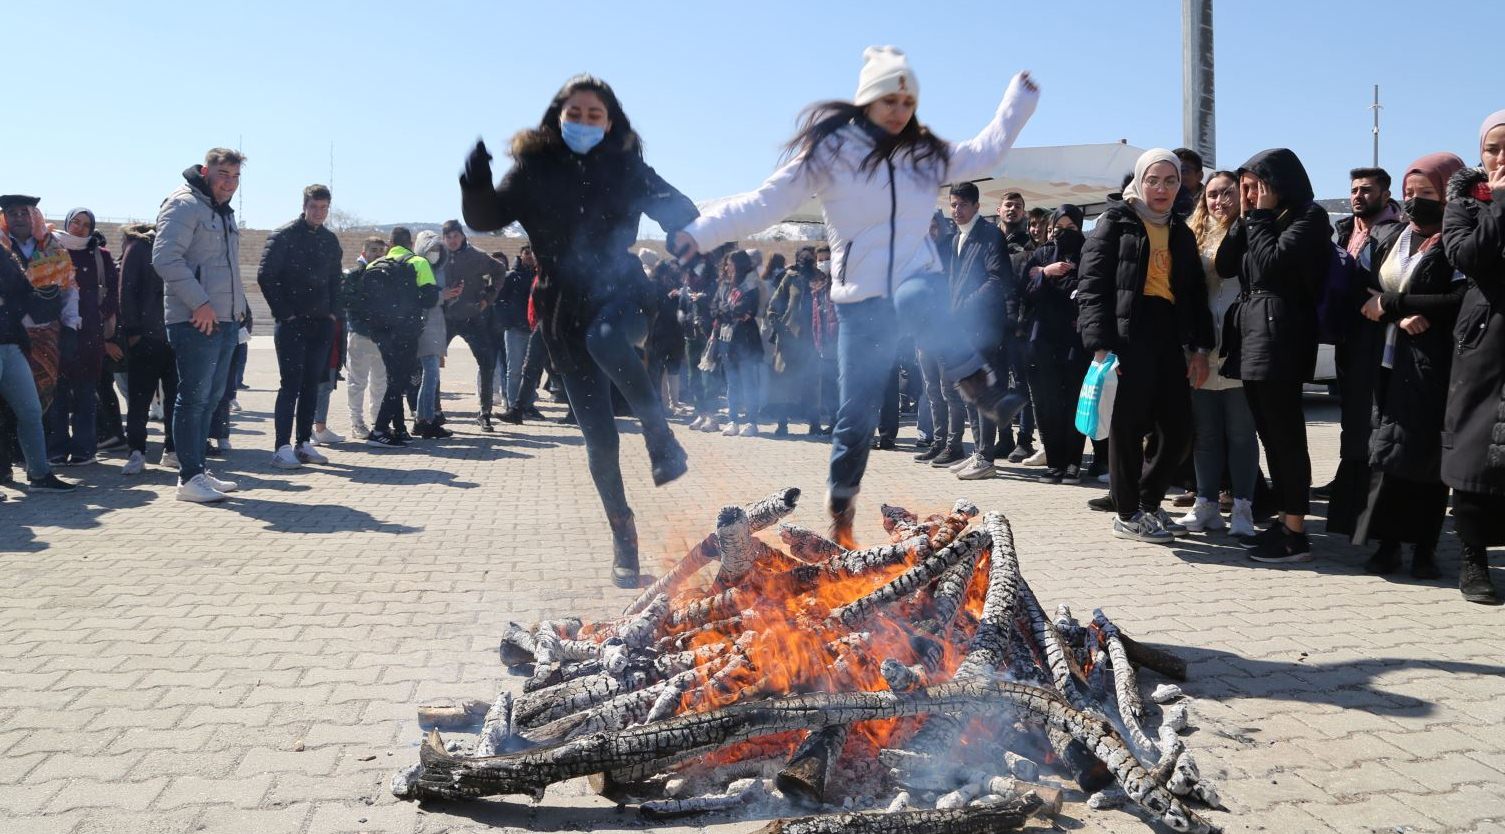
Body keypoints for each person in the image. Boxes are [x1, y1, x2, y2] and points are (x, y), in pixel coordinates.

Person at [673, 47, 1038, 544]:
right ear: (867, 100)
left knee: (916, 297)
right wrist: (701, 232)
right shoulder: (829, 155)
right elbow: (764, 202)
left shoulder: (922, 154)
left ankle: (980, 387)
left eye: (908, 102)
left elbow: (987, 152)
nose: (899, 111)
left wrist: (1017, 101)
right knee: (856, 414)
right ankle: (841, 514)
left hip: (915, 282)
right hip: (860, 304)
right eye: (889, 100)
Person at [460, 74, 694, 587]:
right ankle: (623, 535)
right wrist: (475, 182)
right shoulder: (534, 168)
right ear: (558, 118)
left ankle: (660, 436)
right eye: (576, 114)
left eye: (595, 115)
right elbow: (486, 217)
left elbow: (681, 210)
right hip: (562, 308)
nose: (585, 122)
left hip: (622, 292)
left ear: (609, 123)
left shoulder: (627, 167)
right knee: (599, 439)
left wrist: (683, 232)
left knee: (606, 339)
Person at [1078, 148, 1214, 543]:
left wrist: (1200, 348)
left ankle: (1148, 503)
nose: (1161, 189)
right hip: (1127, 335)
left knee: (1179, 428)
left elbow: (1194, 294)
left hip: (1168, 334)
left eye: (1170, 181)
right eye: (1153, 180)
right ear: (1140, 182)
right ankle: (1126, 514)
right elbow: (1092, 286)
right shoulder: (1116, 222)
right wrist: (1100, 346)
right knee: (1127, 426)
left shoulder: (1180, 231)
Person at [1348, 153, 1467, 578]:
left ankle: (1424, 549)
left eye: (1427, 192)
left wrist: (1396, 304)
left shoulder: (1459, 242)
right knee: (1387, 455)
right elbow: (1365, 289)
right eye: (1410, 193)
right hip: (1387, 362)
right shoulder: (1394, 236)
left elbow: (1458, 300)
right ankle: (1386, 545)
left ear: (1449, 194)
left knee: (1426, 460)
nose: (1416, 201)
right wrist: (1395, 314)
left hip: (1433, 366)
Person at [1216, 148, 1333, 563]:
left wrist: (1261, 217)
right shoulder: (1257, 220)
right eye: (1244, 188)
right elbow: (1226, 264)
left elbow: (1270, 265)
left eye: (1255, 187)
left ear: (1278, 185)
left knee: (1286, 437)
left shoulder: (1310, 217)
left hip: (1282, 335)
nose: (1248, 196)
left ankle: (1295, 531)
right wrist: (1245, 218)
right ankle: (1284, 520)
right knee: (1269, 433)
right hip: (1254, 333)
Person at [152, 148, 249, 503]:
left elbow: (226, 268)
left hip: (224, 319)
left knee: (210, 399)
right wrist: (201, 303)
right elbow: (165, 258)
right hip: (195, 319)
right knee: (193, 398)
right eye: (224, 175)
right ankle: (188, 477)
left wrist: (239, 309)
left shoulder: (221, 211)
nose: (230, 183)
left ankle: (197, 469)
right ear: (206, 172)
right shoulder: (184, 204)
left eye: (235, 177)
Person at [1439, 110, 1505, 605]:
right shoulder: (1464, 202)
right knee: (1475, 449)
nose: (1501, 158)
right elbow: (1468, 257)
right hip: (1485, 337)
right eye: (1493, 149)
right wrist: (1501, 203)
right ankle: (1473, 559)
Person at [1175, 172, 1259, 537]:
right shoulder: (1193, 234)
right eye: (1211, 194)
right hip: (1202, 346)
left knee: (1241, 433)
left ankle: (1242, 507)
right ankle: (1206, 504)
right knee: (1205, 432)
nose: (1218, 200)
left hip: (1241, 346)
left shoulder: (1251, 231)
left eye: (1227, 192)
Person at [1323, 166, 1404, 524]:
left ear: (1385, 195)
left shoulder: (1395, 233)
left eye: (1367, 190)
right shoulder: (1346, 230)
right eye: (1354, 189)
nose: (1358, 196)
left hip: (1378, 335)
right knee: (1351, 411)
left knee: (1372, 414)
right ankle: (1348, 479)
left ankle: (1367, 493)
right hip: (1348, 333)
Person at [257, 184, 341, 470]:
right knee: (290, 385)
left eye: (324, 208)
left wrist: (333, 314)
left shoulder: (330, 240)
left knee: (311, 385)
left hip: (321, 323)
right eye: (314, 207)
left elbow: (335, 280)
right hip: (292, 324)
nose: (319, 213)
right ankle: (281, 447)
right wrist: (286, 314)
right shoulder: (283, 235)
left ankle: (303, 443)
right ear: (304, 206)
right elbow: (266, 276)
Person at [936, 180, 1015, 481]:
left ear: (977, 206)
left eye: (962, 205)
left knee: (984, 391)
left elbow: (996, 280)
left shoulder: (990, 235)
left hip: (983, 327)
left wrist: (963, 308)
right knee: (970, 390)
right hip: (961, 329)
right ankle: (979, 451)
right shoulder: (957, 237)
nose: (956, 210)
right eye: (953, 204)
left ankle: (986, 457)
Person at [0, 239, 77, 494]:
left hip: (11, 343)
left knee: (31, 411)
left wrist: (48, 290)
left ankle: (39, 474)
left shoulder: (4, 254)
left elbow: (23, 293)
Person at [1020, 204, 1089, 484]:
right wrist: (1046, 273)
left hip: (1076, 338)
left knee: (1074, 401)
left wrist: (1067, 283)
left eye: (1071, 228)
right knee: (1047, 403)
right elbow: (1026, 291)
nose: (1064, 233)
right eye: (1058, 228)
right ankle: (1054, 462)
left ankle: (1073, 463)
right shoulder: (1041, 255)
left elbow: (1087, 288)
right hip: (1044, 338)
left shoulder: (1089, 252)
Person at [48, 208, 118, 466]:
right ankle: (55, 450)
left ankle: (83, 450)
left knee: (85, 395)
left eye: (86, 224)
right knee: (56, 396)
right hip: (56, 334)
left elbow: (113, 291)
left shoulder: (101, 255)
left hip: (89, 336)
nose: (79, 228)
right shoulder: (51, 249)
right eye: (76, 222)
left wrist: (98, 314)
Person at [360, 228, 435, 448]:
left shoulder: (374, 265)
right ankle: (380, 430)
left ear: (390, 244)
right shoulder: (418, 262)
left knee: (394, 378)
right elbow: (430, 299)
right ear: (410, 244)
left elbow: (363, 300)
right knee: (399, 381)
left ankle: (400, 429)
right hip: (405, 331)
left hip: (381, 332)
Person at [117, 223, 176, 474]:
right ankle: (136, 452)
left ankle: (172, 450)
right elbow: (126, 291)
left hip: (176, 336)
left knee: (176, 399)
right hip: (146, 337)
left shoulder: (183, 245)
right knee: (139, 400)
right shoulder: (140, 247)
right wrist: (133, 332)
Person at [440, 220, 504, 431]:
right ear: (444, 239)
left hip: (472, 317)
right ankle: (433, 411)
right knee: (430, 363)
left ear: (463, 236)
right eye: (448, 237)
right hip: (445, 318)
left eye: (456, 236)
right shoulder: (437, 255)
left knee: (487, 363)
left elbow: (499, 269)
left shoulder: (476, 255)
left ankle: (484, 413)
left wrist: (488, 298)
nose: (452, 241)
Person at [766, 247, 827, 436]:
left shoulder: (821, 278)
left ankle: (814, 424)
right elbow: (774, 305)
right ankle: (782, 424)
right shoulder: (790, 278)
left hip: (813, 339)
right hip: (789, 338)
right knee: (785, 381)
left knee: (812, 382)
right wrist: (778, 325)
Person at [711, 250, 764, 436]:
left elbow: (744, 309)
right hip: (727, 339)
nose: (728, 267)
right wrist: (727, 311)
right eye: (726, 264)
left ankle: (751, 422)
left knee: (748, 382)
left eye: (731, 264)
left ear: (739, 265)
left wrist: (726, 311)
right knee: (732, 383)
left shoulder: (750, 286)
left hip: (745, 340)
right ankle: (733, 420)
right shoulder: (724, 285)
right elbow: (714, 307)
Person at [343, 236, 388, 439]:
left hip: (383, 338)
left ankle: (378, 421)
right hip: (360, 336)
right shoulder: (354, 275)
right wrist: (367, 327)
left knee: (380, 382)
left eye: (380, 250)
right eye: (373, 250)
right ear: (364, 252)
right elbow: (349, 305)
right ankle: (357, 423)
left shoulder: (388, 275)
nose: (377, 254)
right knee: (357, 382)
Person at [411, 231, 453, 439]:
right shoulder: (417, 266)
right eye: (431, 248)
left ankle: (422, 420)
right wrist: (441, 295)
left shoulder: (440, 270)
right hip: (424, 328)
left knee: (431, 378)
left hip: (436, 327)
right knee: (430, 376)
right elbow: (419, 298)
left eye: (438, 248)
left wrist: (450, 296)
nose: (435, 252)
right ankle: (427, 421)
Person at [494, 244, 536, 421]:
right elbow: (498, 301)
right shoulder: (511, 276)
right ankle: (513, 406)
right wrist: (507, 322)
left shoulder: (538, 276)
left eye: (532, 253)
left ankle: (528, 405)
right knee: (514, 370)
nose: (529, 256)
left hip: (533, 330)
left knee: (531, 370)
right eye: (526, 253)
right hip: (515, 330)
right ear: (520, 255)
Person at [1172, 147, 1205, 218]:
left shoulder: (1211, 202)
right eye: (1173, 171)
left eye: (1183, 171)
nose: (1177, 176)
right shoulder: (1163, 200)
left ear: (1200, 176)